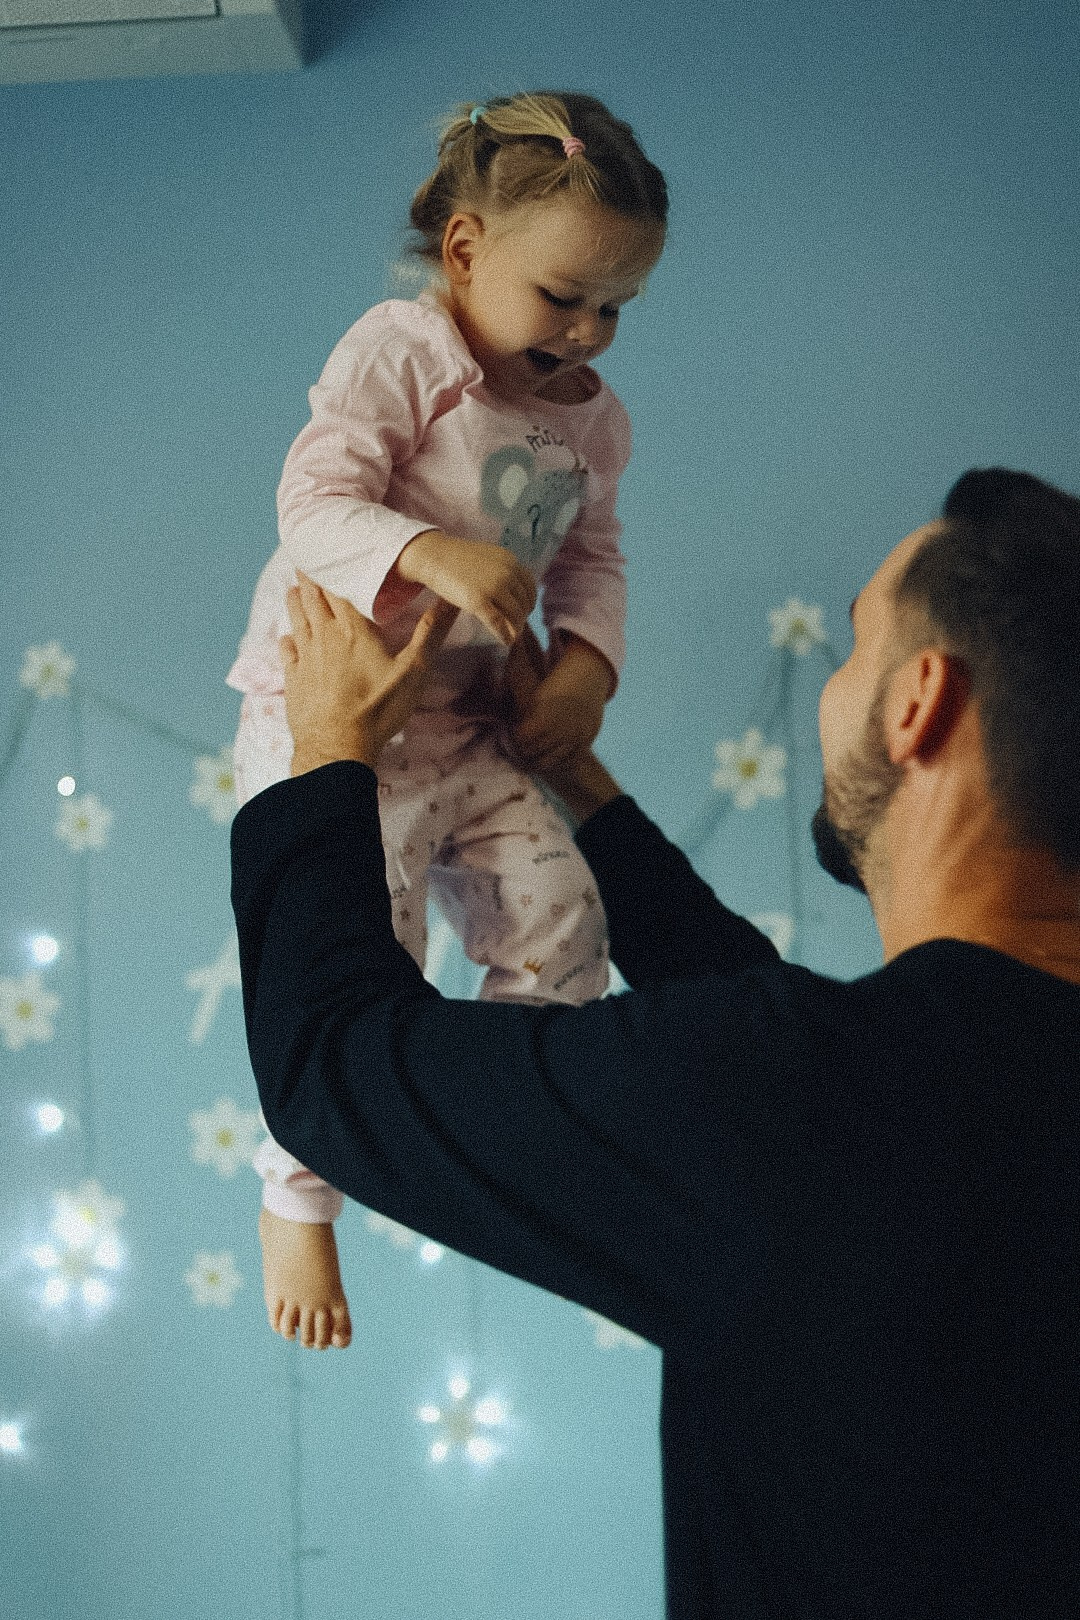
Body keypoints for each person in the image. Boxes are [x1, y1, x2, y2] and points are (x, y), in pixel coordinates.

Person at [230, 467, 1080, 1617]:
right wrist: (571, 777)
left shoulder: (805, 1100)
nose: (833, 687)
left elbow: (334, 1065)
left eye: (851, 650)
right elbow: (802, 1047)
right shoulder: (886, 1090)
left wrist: (328, 744)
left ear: (917, 701)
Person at [224, 91, 668, 1349]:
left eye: (615, 308)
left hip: (470, 720)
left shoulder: (596, 421)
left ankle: (508, 1121)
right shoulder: (402, 351)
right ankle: (294, 1193)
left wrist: (588, 667)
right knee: (356, 948)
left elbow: (597, 561)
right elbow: (311, 502)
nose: (588, 333)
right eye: (565, 296)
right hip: (335, 715)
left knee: (564, 911)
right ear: (466, 251)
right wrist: (428, 548)